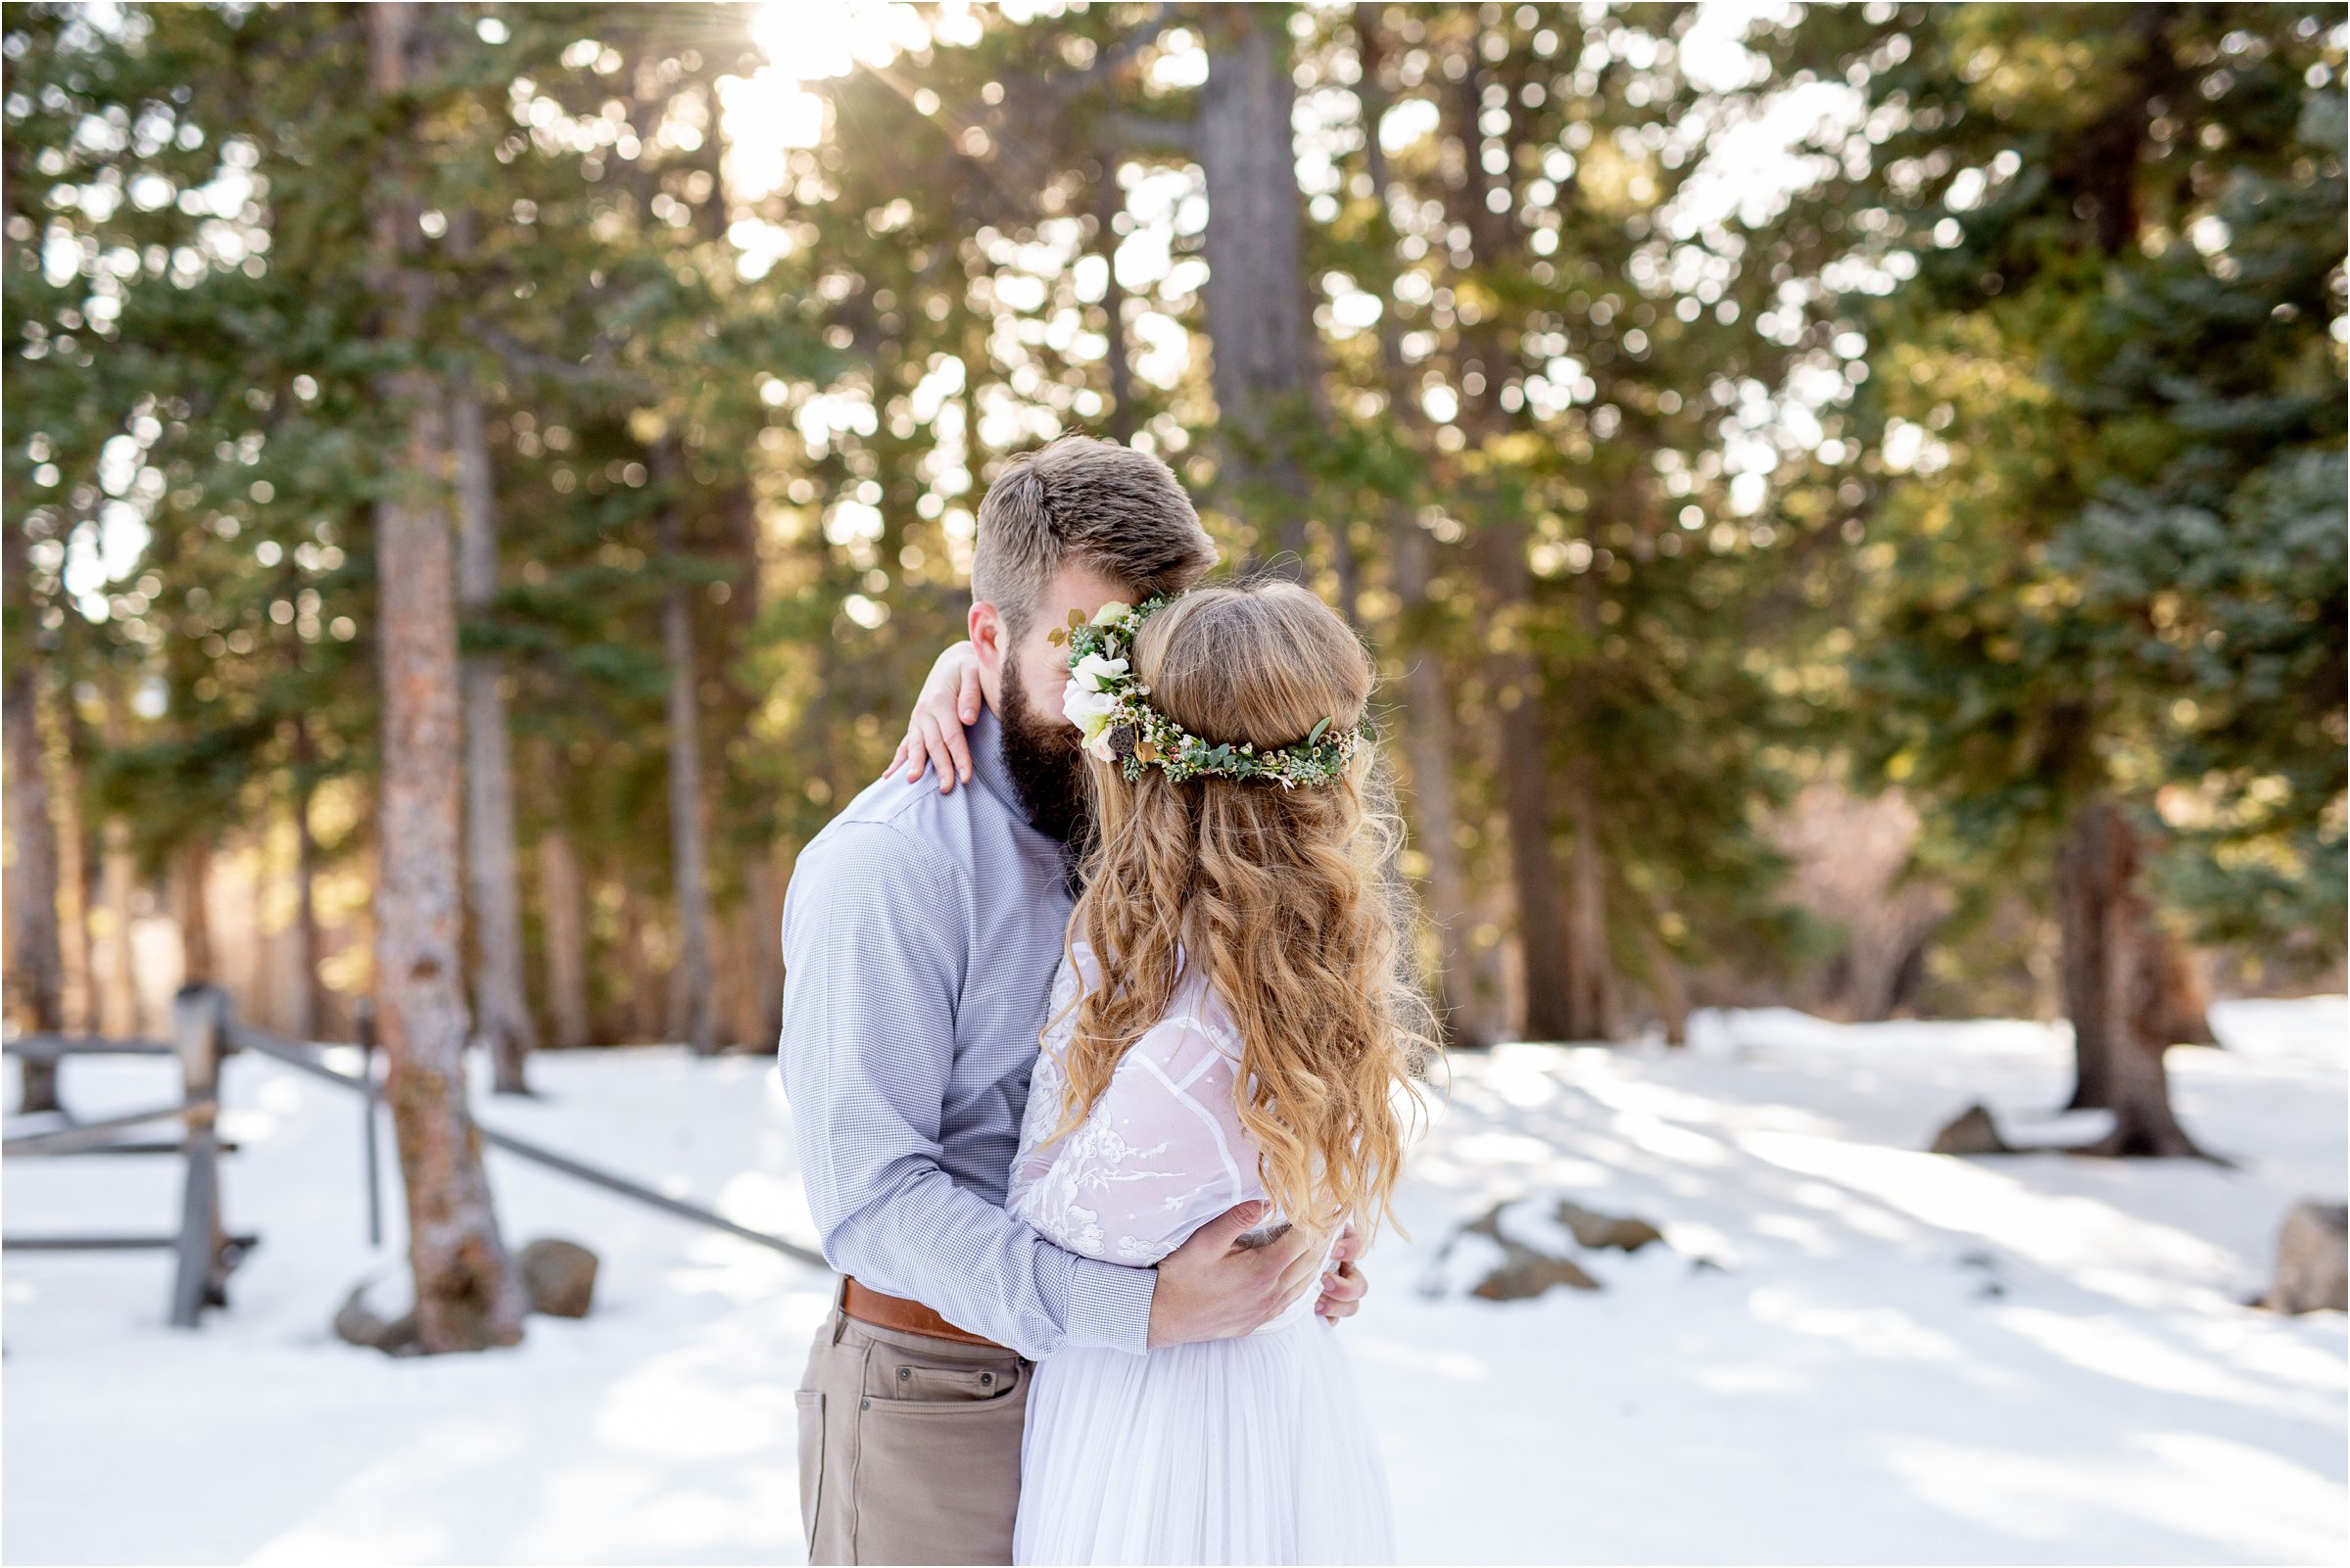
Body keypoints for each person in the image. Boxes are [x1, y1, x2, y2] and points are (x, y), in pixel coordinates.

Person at [779, 436, 1371, 1567]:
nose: (1127, 695)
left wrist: (1293, 1229)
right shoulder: (888, 867)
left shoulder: (1173, 810)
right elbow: (867, 1197)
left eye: (1145, 647)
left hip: (1138, 1414)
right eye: (1088, 650)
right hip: (942, 1400)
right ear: (987, 638)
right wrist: (1136, 1309)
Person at [1007, 581, 1431, 1564]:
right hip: (1268, 1409)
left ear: (1143, 773)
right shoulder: (1302, 985)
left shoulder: (1186, 1056)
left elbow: (1036, 1239)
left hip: (1169, 1454)